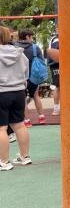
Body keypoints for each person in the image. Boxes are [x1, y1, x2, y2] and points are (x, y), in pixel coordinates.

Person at [0, 25, 31, 170]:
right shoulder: (19, 53)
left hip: (1, 92)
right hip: (18, 91)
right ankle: (25, 157)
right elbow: (26, 72)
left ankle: (4, 161)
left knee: (1, 128)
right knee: (19, 125)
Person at [15, 29, 46, 126]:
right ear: (27, 36)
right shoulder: (35, 47)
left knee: (23, 99)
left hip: (20, 76)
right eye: (31, 37)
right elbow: (42, 62)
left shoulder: (15, 47)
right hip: (33, 76)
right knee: (36, 96)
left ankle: (27, 120)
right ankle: (41, 117)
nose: (32, 39)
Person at [47, 32, 60, 116]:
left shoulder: (54, 39)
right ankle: (56, 108)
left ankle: (57, 108)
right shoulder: (56, 39)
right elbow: (56, 53)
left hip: (56, 64)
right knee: (59, 87)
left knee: (59, 87)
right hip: (57, 64)